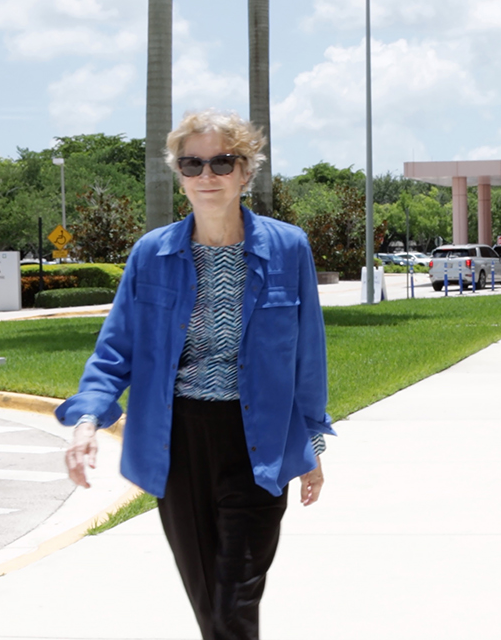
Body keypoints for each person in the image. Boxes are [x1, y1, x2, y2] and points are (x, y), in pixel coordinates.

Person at [58, 109, 334, 640]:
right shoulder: (151, 254)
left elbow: (308, 358)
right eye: (193, 163)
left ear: (245, 171)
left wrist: (312, 449)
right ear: (178, 173)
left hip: (259, 442)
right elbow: (116, 350)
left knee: (234, 598)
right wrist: (88, 420)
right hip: (177, 442)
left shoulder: (287, 248)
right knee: (210, 600)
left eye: (222, 162)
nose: (207, 175)